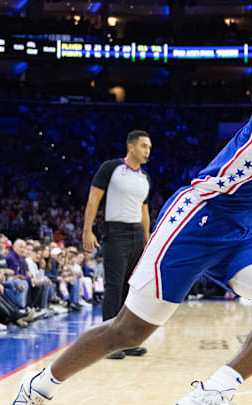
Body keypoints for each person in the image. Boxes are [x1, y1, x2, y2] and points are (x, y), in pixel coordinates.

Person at [13, 34, 252, 405]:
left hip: (238, 232)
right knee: (129, 331)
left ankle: (215, 391)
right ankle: (39, 387)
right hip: (195, 221)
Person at [83, 129, 152, 359]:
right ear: (131, 146)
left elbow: (144, 211)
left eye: (149, 147)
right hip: (115, 232)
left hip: (135, 234)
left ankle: (127, 340)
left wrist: (147, 237)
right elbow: (94, 199)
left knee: (131, 289)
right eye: (144, 146)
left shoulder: (145, 177)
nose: (147, 151)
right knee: (114, 287)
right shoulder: (110, 168)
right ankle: (108, 343)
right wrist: (87, 230)